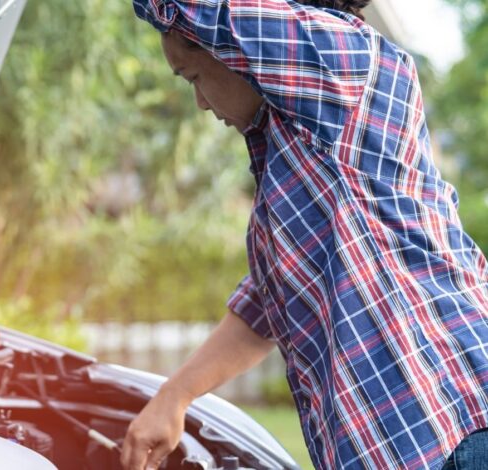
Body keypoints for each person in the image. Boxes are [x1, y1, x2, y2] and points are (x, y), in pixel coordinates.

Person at [121, 0, 488, 469]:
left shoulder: (343, 61)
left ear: (236, 51)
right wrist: (174, 397)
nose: (201, 102)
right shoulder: (296, 150)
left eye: (193, 76)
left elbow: (191, 8)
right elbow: (264, 307)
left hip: (451, 431)